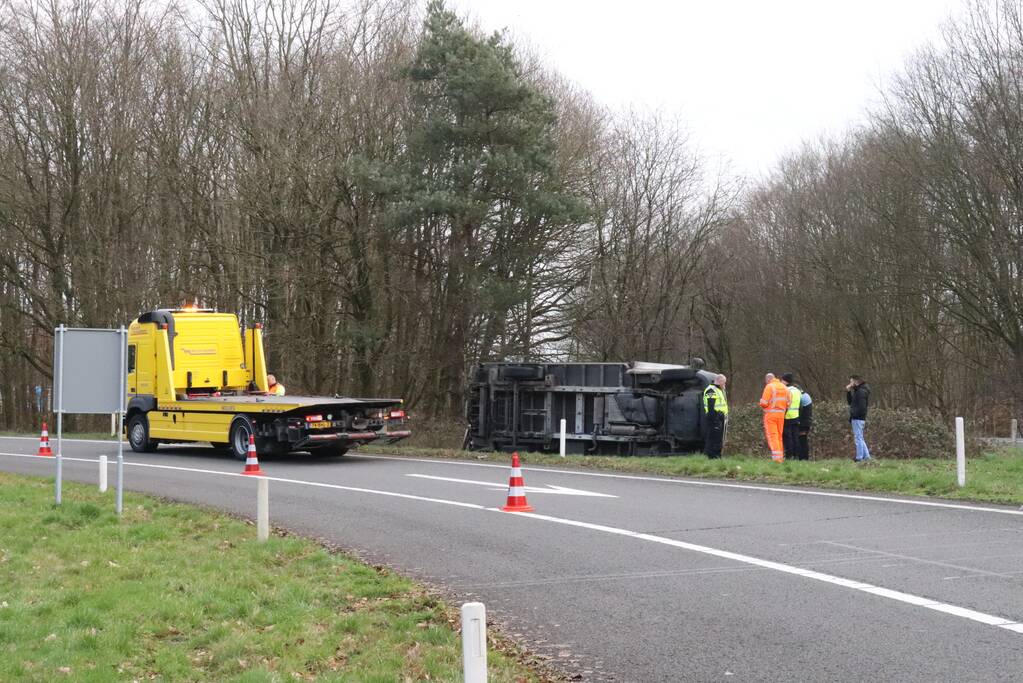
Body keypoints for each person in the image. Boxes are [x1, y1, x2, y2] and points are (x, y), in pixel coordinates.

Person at [759, 373, 790, 462]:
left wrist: (761, 403)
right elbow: (788, 402)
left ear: (767, 380)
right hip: (781, 415)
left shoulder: (769, 387)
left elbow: (764, 403)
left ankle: (776, 459)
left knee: (773, 436)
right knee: (779, 436)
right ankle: (780, 457)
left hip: (771, 415)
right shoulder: (784, 387)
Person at [702, 374, 728, 459]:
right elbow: (710, 406)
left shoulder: (718, 390)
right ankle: (712, 457)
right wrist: (715, 419)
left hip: (719, 418)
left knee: (717, 439)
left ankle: (716, 456)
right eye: (724, 383)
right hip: (714, 418)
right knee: (713, 438)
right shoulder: (711, 390)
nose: (724, 385)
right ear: (720, 381)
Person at [846, 375, 871, 461]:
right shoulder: (858, 391)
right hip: (857, 418)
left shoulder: (861, 392)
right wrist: (848, 392)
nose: (850, 384)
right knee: (860, 437)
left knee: (858, 438)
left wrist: (854, 414)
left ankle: (859, 458)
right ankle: (867, 457)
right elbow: (850, 403)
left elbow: (862, 407)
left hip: (858, 418)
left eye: (851, 382)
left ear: (856, 381)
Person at [780, 373, 802, 461]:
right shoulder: (797, 390)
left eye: (782, 380)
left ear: (785, 381)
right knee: (795, 437)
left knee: (787, 437)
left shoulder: (786, 391)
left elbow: (785, 404)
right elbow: (800, 405)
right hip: (796, 416)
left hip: (787, 417)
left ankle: (789, 456)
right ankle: (796, 455)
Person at [798, 389, 813, 460]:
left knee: (802, 440)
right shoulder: (806, 395)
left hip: (803, 422)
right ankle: (805, 458)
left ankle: (803, 458)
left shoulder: (801, 397)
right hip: (807, 422)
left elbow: (800, 410)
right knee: (803, 440)